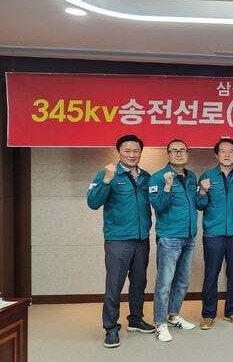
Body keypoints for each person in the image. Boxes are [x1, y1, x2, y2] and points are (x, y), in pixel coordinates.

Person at [87, 134, 154, 348]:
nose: (132, 154)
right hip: (118, 240)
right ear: (118, 152)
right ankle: (111, 328)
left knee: (139, 283)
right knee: (114, 285)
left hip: (142, 239)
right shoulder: (108, 174)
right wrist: (107, 180)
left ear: (141, 153)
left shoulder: (146, 177)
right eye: (127, 151)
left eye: (136, 151)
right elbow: (93, 202)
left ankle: (135, 320)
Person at [149, 139, 199, 342]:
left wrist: (203, 192)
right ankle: (160, 323)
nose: (179, 153)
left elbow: (197, 203)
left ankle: (173, 316)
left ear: (187, 153)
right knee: (165, 282)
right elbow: (158, 206)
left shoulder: (191, 176)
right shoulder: (158, 177)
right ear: (168, 154)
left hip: (190, 236)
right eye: (174, 151)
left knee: (183, 280)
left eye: (182, 150)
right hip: (169, 237)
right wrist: (168, 186)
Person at [195, 138, 233, 330]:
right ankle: (208, 314)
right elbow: (199, 205)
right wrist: (202, 192)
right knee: (211, 275)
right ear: (216, 155)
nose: (227, 155)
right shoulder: (207, 177)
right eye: (223, 151)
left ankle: (231, 311)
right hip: (213, 234)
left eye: (231, 151)